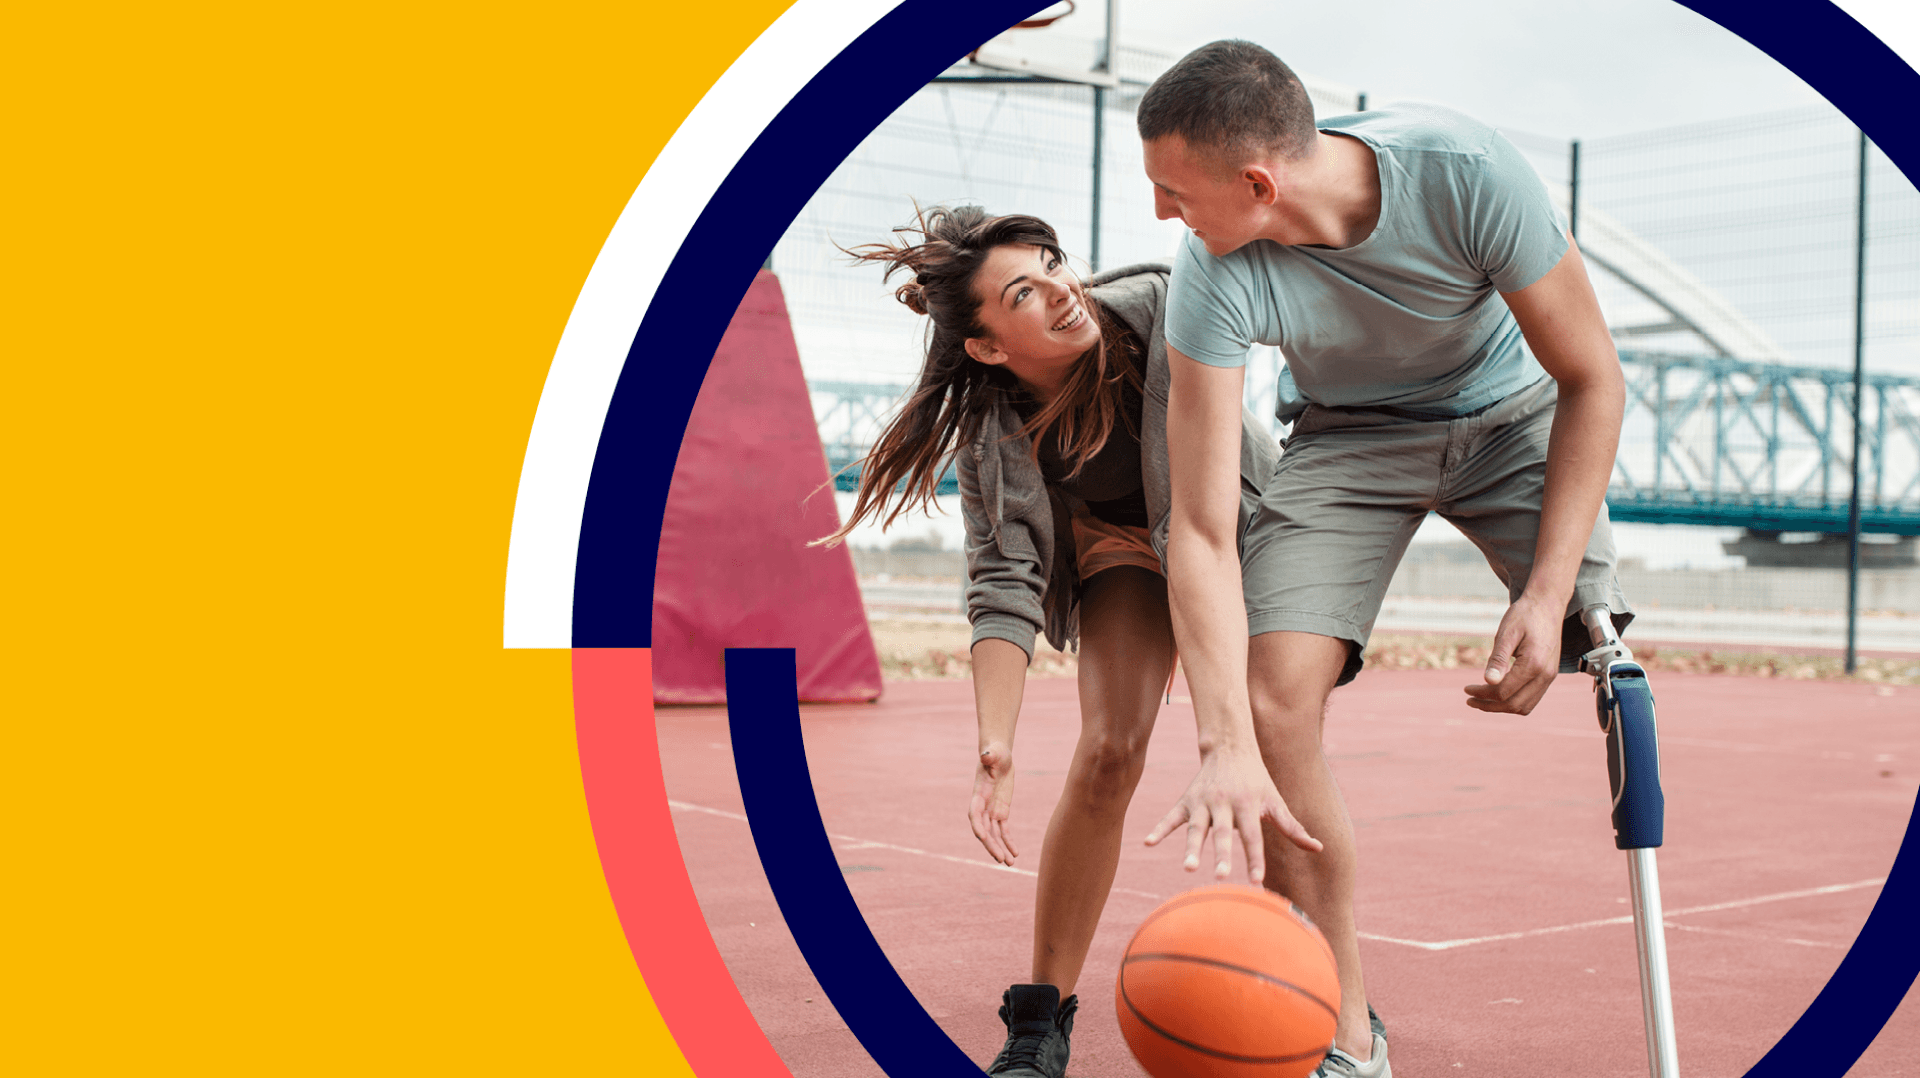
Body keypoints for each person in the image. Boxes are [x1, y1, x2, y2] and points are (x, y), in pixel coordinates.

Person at [1133, 41, 1634, 1078]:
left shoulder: (1465, 171)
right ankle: (1346, 1034)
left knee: (1605, 654)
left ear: (1258, 183)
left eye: (1173, 192)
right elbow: (1203, 528)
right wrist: (1223, 741)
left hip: (1514, 417)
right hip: (1348, 438)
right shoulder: (1213, 275)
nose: (1161, 213)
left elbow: (1592, 377)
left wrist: (1544, 592)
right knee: (1270, 703)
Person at [816, 205, 1287, 1078]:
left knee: (1275, 735)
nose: (1063, 289)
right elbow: (1003, 583)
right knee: (1108, 751)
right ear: (989, 347)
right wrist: (993, 742)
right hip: (1125, 548)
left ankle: (1329, 985)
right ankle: (1040, 1020)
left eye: (1053, 262)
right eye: (1023, 293)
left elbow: (1206, 514)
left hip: (1233, 527)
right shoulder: (993, 437)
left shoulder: (1163, 307)